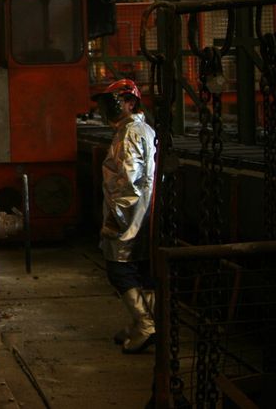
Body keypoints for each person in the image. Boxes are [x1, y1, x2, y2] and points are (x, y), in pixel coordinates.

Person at [92, 78, 157, 354]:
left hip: (129, 215)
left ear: (130, 103)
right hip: (141, 213)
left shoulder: (130, 133)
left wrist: (115, 218)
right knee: (141, 270)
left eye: (114, 103)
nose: (107, 110)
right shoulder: (139, 129)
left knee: (119, 269)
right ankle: (144, 321)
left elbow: (129, 180)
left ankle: (144, 325)